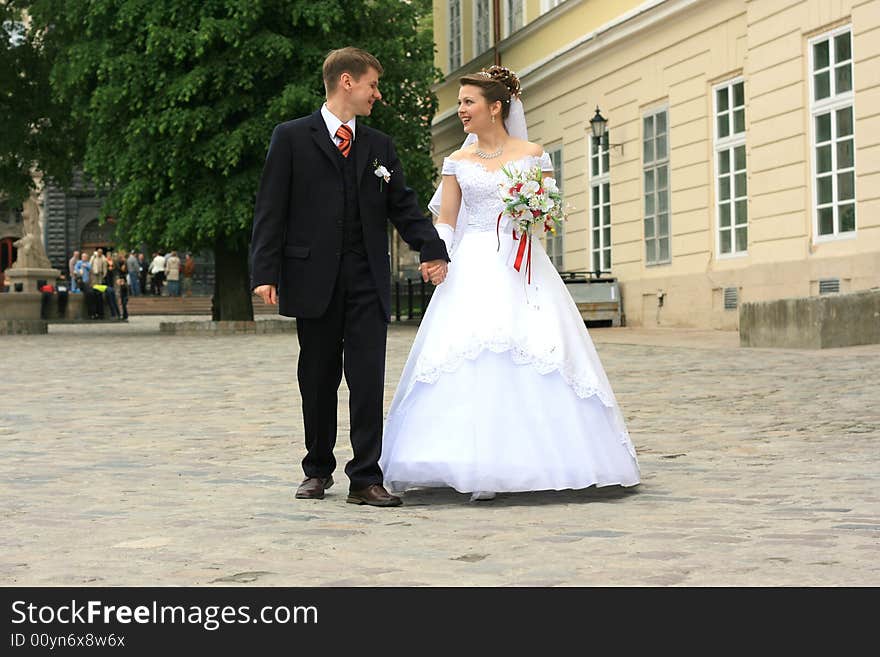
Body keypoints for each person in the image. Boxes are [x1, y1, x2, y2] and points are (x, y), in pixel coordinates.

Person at [379, 66, 640, 501]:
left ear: (495, 107)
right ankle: (455, 456)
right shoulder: (457, 163)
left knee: (537, 347)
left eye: (468, 102)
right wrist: (436, 255)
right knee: (469, 352)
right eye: (460, 102)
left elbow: (550, 213)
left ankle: (546, 458)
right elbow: (446, 221)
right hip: (473, 264)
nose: (460, 110)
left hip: (523, 264)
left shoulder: (533, 154)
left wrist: (535, 213)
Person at [250, 47, 449, 508]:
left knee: (366, 378)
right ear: (346, 82)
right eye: (372, 85)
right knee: (317, 379)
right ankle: (317, 469)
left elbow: (402, 204)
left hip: (367, 279)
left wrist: (432, 246)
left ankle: (365, 477)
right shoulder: (291, 137)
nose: (376, 94)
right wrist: (264, 270)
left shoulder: (380, 146)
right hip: (311, 278)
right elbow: (270, 208)